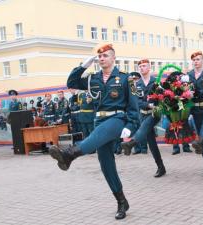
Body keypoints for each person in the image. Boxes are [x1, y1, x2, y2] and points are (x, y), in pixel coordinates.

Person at [48, 44, 139, 220]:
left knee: (96, 136)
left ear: (113, 58)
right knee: (106, 164)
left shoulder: (126, 79)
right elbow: (71, 83)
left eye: (105, 55)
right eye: (99, 56)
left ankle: (69, 154)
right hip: (99, 119)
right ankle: (121, 201)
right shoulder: (93, 79)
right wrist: (83, 66)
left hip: (117, 119)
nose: (102, 58)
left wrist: (131, 126)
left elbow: (134, 106)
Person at [120, 59, 166, 178]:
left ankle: (131, 143)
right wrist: (147, 104)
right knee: (151, 143)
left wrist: (157, 104)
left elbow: (163, 98)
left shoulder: (157, 82)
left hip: (154, 113)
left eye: (144, 66)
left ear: (149, 67)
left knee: (146, 126)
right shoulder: (136, 85)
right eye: (139, 66)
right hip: (143, 113)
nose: (141, 68)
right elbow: (136, 102)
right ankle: (161, 167)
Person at [131, 71, 148, 154]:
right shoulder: (129, 88)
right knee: (134, 130)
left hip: (140, 111)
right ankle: (137, 148)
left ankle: (144, 148)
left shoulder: (141, 87)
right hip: (131, 112)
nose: (134, 81)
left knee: (141, 130)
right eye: (132, 79)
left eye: (136, 79)